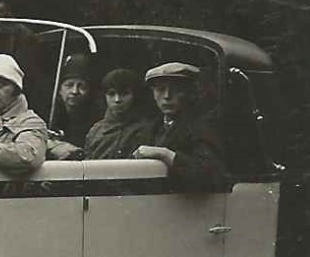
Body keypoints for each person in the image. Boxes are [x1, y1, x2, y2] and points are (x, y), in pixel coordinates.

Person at [132, 62, 226, 190]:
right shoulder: (149, 129)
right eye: (160, 89)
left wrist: (165, 154)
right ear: (153, 94)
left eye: (176, 90)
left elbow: (210, 174)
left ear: (190, 93)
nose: (167, 96)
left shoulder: (202, 127)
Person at [85, 67, 155, 160]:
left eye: (124, 94)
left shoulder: (149, 129)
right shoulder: (96, 132)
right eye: (111, 94)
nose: (117, 100)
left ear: (135, 95)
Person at [47, 53, 99, 159]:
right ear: (59, 90)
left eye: (81, 86)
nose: (75, 91)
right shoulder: (48, 117)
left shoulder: (97, 122)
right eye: (69, 85)